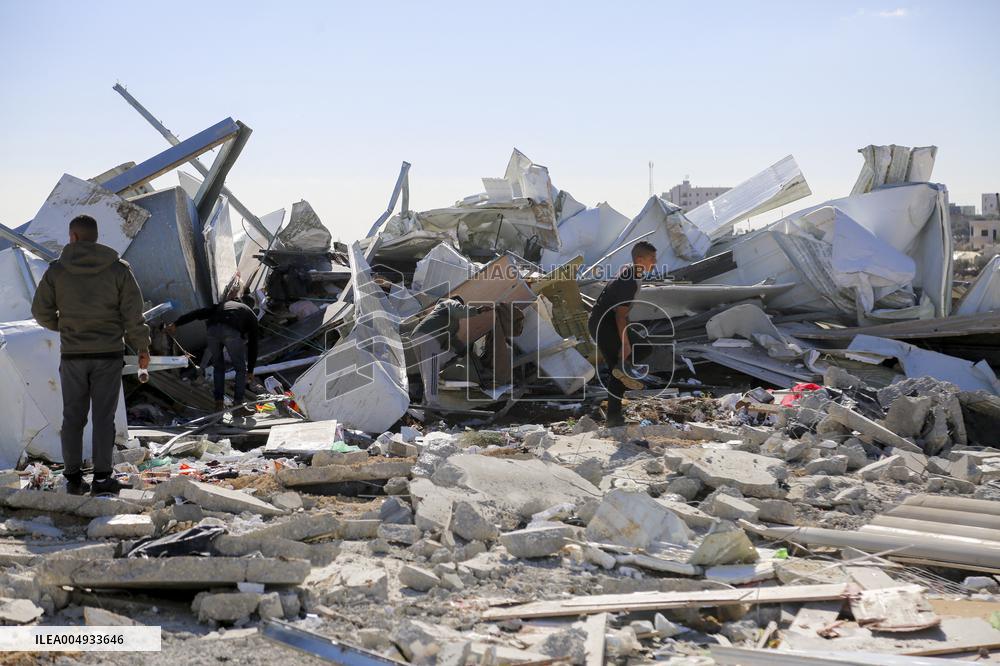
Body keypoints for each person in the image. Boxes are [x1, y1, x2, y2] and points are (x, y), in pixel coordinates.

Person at [31, 215, 150, 495]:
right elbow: (133, 315)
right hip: (108, 355)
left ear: (72, 237)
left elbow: (40, 311)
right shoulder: (118, 269)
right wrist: (142, 348)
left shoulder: (57, 270)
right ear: (96, 237)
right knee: (104, 418)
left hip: (73, 356)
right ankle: (102, 479)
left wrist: (66, 326)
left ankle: (73, 479)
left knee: (72, 417)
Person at [587, 241, 658, 427]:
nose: (655, 263)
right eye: (652, 259)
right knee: (619, 367)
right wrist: (625, 345)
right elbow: (620, 316)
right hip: (604, 325)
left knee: (640, 350)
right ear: (639, 260)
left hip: (608, 322)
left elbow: (622, 313)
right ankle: (613, 417)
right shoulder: (629, 281)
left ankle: (624, 370)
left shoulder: (631, 271)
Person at [167, 299, 259, 415]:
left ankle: (219, 405)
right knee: (240, 369)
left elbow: (197, 313)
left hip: (212, 330)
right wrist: (250, 370)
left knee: (218, 368)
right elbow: (253, 345)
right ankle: (238, 406)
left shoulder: (223, 306)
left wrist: (176, 323)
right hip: (230, 330)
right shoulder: (251, 316)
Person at [410, 296, 492, 408]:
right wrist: (478, 310)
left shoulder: (444, 317)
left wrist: (461, 349)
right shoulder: (449, 302)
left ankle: (426, 401)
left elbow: (452, 340)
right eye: (460, 305)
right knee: (432, 370)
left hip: (417, 335)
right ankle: (433, 404)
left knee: (426, 371)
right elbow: (459, 310)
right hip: (430, 336)